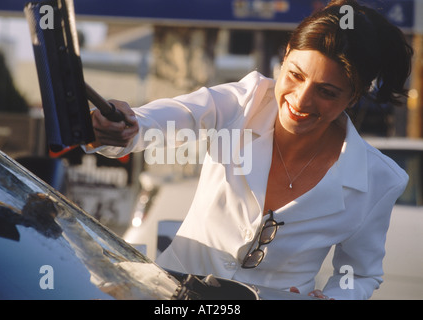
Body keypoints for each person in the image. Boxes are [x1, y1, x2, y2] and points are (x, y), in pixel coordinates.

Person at [85, 0, 413, 299]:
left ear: (353, 98)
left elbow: (359, 274)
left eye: (326, 92)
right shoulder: (245, 101)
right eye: (295, 75)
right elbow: (180, 115)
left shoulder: (379, 179)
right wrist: (129, 125)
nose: (300, 100)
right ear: (284, 57)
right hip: (170, 297)